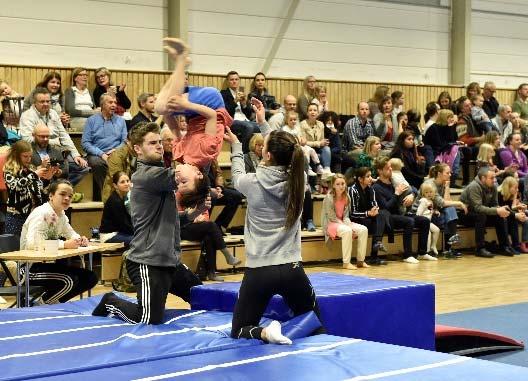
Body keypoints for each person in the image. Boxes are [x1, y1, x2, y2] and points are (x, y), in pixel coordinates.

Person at [226, 98, 323, 345]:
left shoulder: (253, 183)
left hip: (260, 270)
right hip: (291, 268)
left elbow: (236, 175)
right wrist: (263, 124)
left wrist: (236, 146)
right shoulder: (299, 180)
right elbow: (284, 151)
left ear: (266, 154)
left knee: (240, 329)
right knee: (314, 322)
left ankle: (265, 333)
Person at [93, 122, 202, 324]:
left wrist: (192, 214)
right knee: (148, 318)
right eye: (152, 143)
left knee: (204, 297)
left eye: (160, 142)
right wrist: (197, 141)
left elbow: (167, 219)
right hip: (148, 262)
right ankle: (111, 301)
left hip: (170, 261)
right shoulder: (145, 176)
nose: (159, 146)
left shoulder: (158, 176)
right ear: (137, 149)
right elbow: (182, 176)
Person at [155, 38, 233, 183]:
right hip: (212, 104)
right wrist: (186, 104)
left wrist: (169, 112)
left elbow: (172, 125)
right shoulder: (205, 154)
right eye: (184, 181)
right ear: (197, 175)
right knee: (168, 103)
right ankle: (182, 57)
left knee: (160, 107)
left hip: (195, 114)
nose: (178, 178)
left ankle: (181, 63)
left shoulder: (180, 156)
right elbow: (211, 116)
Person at [19, 179, 97, 304]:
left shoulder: (61, 215)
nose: (67, 198)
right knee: (69, 280)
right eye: (62, 194)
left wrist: (80, 240)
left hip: (47, 266)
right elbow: (31, 244)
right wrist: (64, 244)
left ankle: (49, 303)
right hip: (29, 269)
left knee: (90, 277)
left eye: (70, 196)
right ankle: (40, 305)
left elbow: (71, 234)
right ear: (51, 196)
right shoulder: (41, 213)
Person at [19, 87, 89, 185]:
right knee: (60, 167)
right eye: (42, 101)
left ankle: (59, 189)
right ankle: (55, 190)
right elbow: (27, 139)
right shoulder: (27, 115)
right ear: (35, 103)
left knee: (83, 167)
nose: (46, 104)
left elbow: (64, 135)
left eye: (48, 101)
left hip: (58, 150)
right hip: (37, 152)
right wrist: (48, 141)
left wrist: (75, 154)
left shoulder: (54, 113)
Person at [372, 156, 431, 263]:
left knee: (424, 221)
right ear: (380, 171)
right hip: (388, 217)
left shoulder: (394, 180)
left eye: (390, 167)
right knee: (409, 221)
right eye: (387, 168)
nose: (390, 170)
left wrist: (412, 195)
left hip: (400, 213)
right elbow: (386, 207)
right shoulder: (377, 187)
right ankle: (407, 255)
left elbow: (412, 188)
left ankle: (422, 253)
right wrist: (396, 194)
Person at [411, 163, 466, 258]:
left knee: (450, 211)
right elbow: (442, 203)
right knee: (450, 212)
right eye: (447, 173)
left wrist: (447, 187)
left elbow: (446, 201)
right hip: (422, 215)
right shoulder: (429, 185)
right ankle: (449, 248)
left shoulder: (443, 183)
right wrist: (460, 203)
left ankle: (449, 248)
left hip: (434, 212)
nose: (450, 175)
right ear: (440, 174)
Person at [82, 93, 128, 201]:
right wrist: (101, 154)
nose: (114, 105)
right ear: (102, 105)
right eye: (110, 102)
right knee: (97, 163)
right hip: (97, 154)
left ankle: (122, 192)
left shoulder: (121, 121)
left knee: (122, 161)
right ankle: (108, 194)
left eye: (115, 102)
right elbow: (86, 143)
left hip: (117, 152)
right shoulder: (91, 120)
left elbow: (125, 141)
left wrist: (116, 151)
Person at [459, 167, 512, 258]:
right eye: (491, 178)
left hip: (482, 213)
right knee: (481, 216)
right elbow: (477, 208)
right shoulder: (474, 186)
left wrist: (500, 209)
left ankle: (504, 246)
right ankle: (480, 249)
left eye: (494, 178)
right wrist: (496, 210)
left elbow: (494, 205)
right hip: (465, 214)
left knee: (500, 215)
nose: (494, 180)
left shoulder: (493, 187)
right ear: (483, 178)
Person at [322, 174, 369, 270]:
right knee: (348, 231)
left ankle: (360, 260)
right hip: (331, 223)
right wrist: (347, 227)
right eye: (338, 184)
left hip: (342, 223)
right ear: (333, 185)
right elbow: (332, 217)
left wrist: (348, 225)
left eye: (343, 183)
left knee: (364, 229)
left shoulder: (347, 197)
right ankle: (346, 263)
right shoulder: (329, 198)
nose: (341, 186)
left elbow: (346, 216)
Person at [3, 141, 47, 235]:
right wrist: (34, 175)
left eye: (30, 156)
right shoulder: (9, 170)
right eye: (25, 156)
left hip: (33, 215)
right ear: (16, 155)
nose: (28, 159)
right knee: (14, 248)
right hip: (16, 216)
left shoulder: (30, 168)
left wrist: (47, 179)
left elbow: (39, 189)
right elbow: (16, 186)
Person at [348, 167, 389, 265]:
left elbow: (375, 204)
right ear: (360, 179)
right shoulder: (353, 190)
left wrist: (375, 210)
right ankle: (374, 255)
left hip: (368, 218)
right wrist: (368, 213)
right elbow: (353, 213)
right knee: (378, 223)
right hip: (356, 219)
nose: (371, 178)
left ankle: (376, 245)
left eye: (371, 176)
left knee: (381, 215)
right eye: (368, 176)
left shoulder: (371, 189)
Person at [220, 71, 259, 153]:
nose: (234, 81)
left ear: (239, 81)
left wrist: (244, 103)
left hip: (245, 120)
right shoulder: (223, 94)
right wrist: (235, 101)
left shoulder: (242, 94)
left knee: (261, 126)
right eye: (232, 79)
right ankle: (243, 154)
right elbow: (225, 112)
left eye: (236, 79)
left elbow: (249, 115)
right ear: (228, 81)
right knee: (249, 127)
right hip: (231, 121)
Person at [424, 109, 461, 187]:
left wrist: (451, 127)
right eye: (450, 117)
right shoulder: (434, 128)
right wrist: (452, 143)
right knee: (455, 148)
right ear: (444, 117)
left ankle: (453, 178)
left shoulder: (448, 127)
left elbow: (454, 139)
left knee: (456, 148)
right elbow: (439, 144)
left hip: (444, 149)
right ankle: (453, 177)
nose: (452, 119)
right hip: (436, 151)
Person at [99, 171, 134, 248]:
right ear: (115, 185)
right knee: (140, 242)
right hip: (110, 236)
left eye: (128, 181)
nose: (126, 184)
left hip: (121, 233)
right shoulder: (115, 201)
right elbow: (125, 225)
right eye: (122, 182)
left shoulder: (125, 197)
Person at [498, 176, 528, 253]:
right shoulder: (499, 194)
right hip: (499, 216)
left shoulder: (511, 194)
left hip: (508, 214)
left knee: (522, 217)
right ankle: (512, 245)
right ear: (508, 187)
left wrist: (518, 208)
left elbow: (511, 208)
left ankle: (517, 245)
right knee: (512, 219)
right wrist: (516, 214)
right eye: (515, 188)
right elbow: (503, 210)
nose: (517, 190)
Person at [300, 103, 332, 175]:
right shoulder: (302, 124)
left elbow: (322, 140)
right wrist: (318, 143)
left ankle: (327, 169)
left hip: (318, 147)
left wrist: (322, 143)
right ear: (307, 113)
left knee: (327, 148)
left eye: (315, 110)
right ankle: (310, 169)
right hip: (307, 148)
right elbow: (303, 142)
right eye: (310, 110)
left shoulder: (321, 124)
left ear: (318, 113)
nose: (312, 112)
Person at [64, 67, 97, 131]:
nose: (85, 77)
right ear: (75, 78)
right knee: (93, 124)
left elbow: (94, 108)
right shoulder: (70, 91)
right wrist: (92, 113)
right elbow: (71, 111)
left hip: (91, 119)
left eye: (86, 75)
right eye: (82, 75)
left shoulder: (89, 92)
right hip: (76, 120)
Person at [415, 182, 440, 258]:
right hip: (423, 222)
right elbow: (419, 212)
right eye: (426, 192)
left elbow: (429, 210)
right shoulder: (423, 201)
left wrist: (435, 211)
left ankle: (433, 246)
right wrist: (420, 220)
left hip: (428, 222)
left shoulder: (431, 201)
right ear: (423, 193)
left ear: (434, 192)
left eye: (430, 192)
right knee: (428, 234)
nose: (429, 194)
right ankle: (426, 252)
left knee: (436, 230)